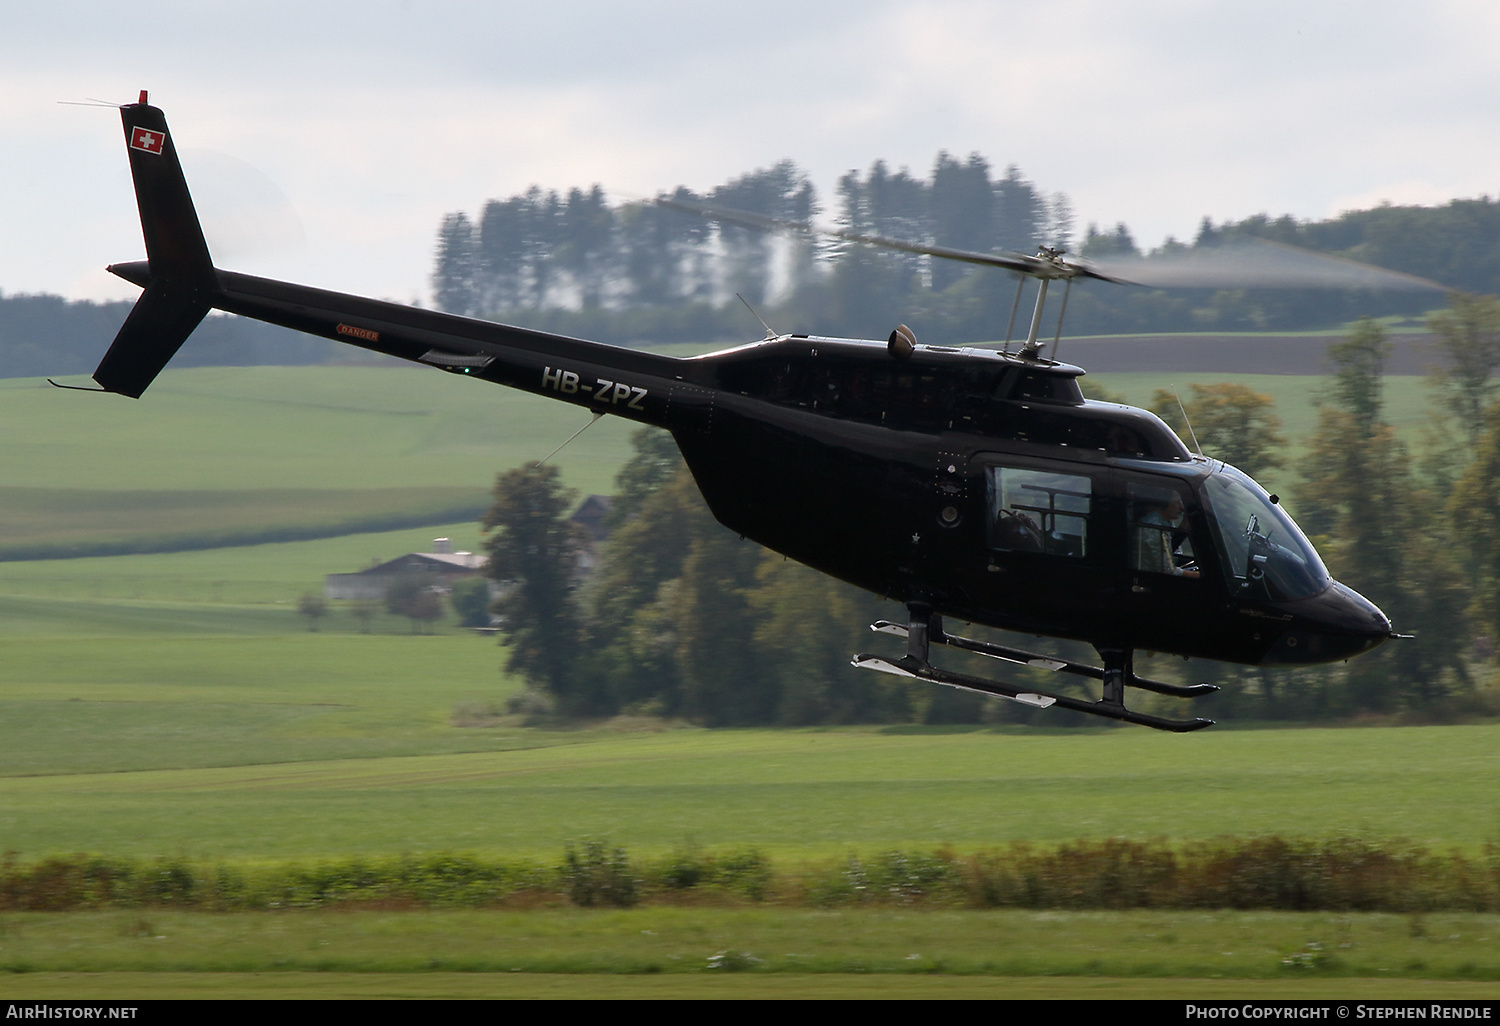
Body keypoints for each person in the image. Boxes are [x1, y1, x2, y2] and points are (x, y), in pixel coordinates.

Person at [1136, 494, 1199, 578]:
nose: (1182, 507)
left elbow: (1170, 550)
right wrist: (1198, 575)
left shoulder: (1165, 522)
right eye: (1177, 503)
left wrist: (1184, 526)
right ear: (1164, 503)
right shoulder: (1154, 527)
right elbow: (1167, 571)